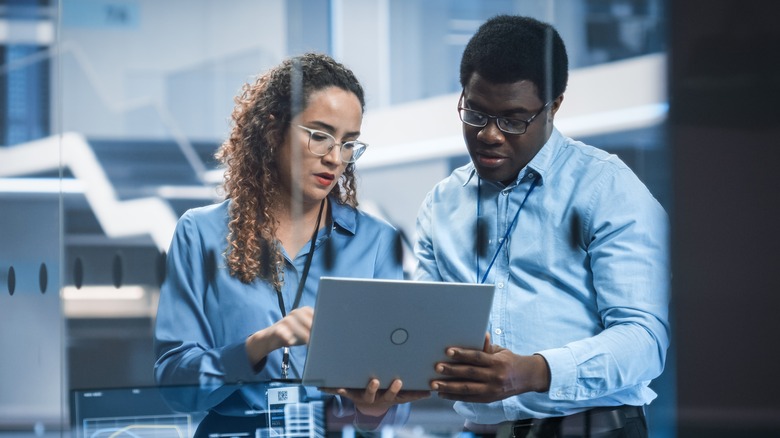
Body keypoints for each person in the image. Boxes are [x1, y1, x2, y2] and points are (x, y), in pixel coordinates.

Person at [414, 15, 670, 438]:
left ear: (554, 107)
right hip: (479, 431)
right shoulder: (440, 205)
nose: (490, 135)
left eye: (513, 120)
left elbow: (644, 342)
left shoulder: (608, 188)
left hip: (593, 430)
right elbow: (425, 335)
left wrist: (533, 372)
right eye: (475, 114)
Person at [154, 52, 428, 436]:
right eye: (320, 136)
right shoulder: (199, 234)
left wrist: (373, 408)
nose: (335, 159)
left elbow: (387, 404)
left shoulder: (377, 242)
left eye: (349, 144)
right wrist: (260, 344)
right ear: (273, 130)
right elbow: (173, 384)